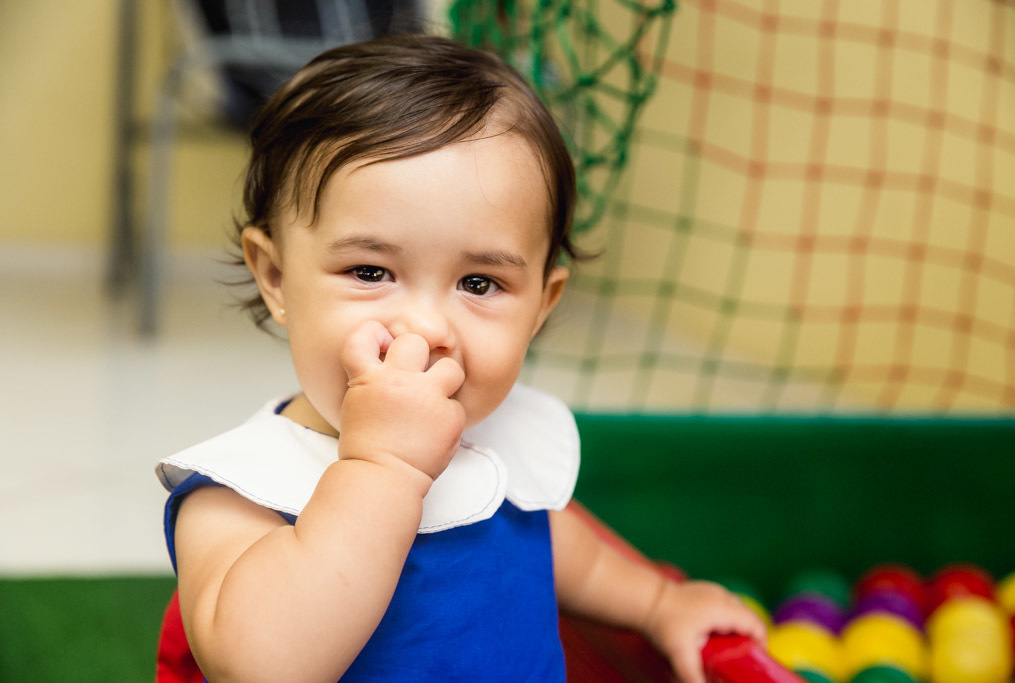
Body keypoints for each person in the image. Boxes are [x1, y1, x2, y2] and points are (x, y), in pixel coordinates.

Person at [156, 33, 765, 682]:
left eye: (480, 283)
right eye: (370, 269)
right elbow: (264, 665)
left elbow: (563, 551)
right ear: (275, 276)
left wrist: (660, 602)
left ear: (541, 304)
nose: (426, 326)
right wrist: (382, 466)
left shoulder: (496, 445)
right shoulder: (242, 489)